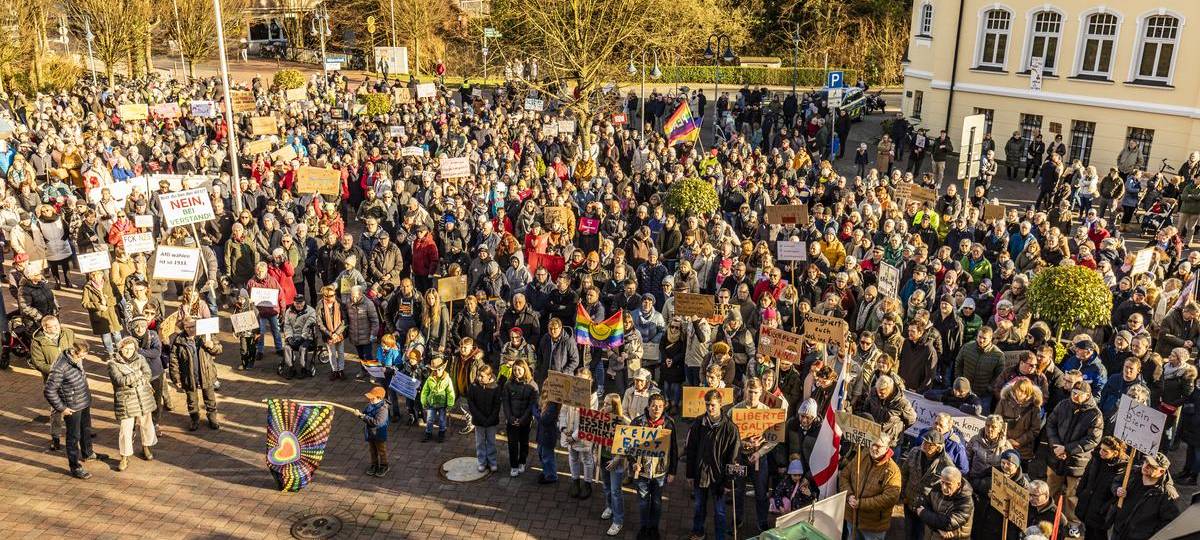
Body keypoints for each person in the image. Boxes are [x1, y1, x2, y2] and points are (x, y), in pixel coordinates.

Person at [1045, 378, 1103, 535]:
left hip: (1077, 462)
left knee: (1073, 496)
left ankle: (1073, 523)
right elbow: (1051, 424)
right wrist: (1056, 445)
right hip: (1056, 456)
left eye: (1080, 394)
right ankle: (1049, 516)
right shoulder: (1063, 405)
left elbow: (1093, 440)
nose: (1075, 396)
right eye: (1074, 392)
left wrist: (1068, 450)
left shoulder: (1095, 414)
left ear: (1088, 395)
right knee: (1051, 489)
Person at [685, 389, 740, 540]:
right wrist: (690, 474)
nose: (710, 408)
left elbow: (734, 458)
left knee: (720, 511)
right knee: (698, 507)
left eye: (713, 405)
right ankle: (698, 532)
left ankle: (720, 537)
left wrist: (729, 481)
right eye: (707, 404)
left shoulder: (731, 429)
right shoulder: (698, 423)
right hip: (700, 473)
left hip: (719, 477)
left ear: (720, 404)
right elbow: (691, 450)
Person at [44, 342, 105, 479]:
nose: (83, 359)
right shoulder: (60, 367)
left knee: (86, 430)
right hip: (71, 406)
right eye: (82, 356)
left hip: (83, 402)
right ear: (74, 352)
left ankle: (88, 453)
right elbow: (49, 390)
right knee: (73, 437)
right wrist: (62, 408)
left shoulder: (75, 360)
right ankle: (75, 466)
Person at [629, 393, 677, 540]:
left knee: (656, 502)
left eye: (660, 406)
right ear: (648, 406)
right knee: (643, 502)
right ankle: (644, 528)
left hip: (660, 472)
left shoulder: (669, 423)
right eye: (654, 406)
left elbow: (673, 448)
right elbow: (628, 446)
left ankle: (654, 528)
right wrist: (633, 463)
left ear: (664, 408)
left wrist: (672, 471)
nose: (657, 409)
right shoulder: (637, 422)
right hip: (641, 472)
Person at [107, 337, 158, 471]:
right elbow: (119, 381)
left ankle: (146, 446)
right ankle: (124, 456)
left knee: (147, 424)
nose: (128, 351)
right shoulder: (113, 363)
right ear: (120, 348)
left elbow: (148, 373)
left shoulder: (140, 358)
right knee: (125, 429)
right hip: (126, 400)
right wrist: (138, 376)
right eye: (125, 348)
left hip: (143, 396)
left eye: (131, 348)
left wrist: (138, 378)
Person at [840, 434, 902, 540]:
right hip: (852, 518)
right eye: (873, 444)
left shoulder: (893, 470)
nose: (874, 448)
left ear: (887, 448)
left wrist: (861, 504)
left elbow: (889, 498)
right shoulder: (861, 455)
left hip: (873, 526)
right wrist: (849, 495)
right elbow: (844, 475)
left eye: (878, 446)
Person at [1110, 452, 1182, 540]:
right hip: (1118, 531)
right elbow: (1116, 481)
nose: (1146, 466)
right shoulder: (1133, 472)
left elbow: (1169, 523)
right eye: (1146, 462)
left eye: (1152, 466)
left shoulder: (1167, 494)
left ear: (1161, 471)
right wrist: (1117, 489)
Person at [900, 431, 957, 540]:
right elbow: (904, 473)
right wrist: (903, 495)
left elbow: (951, 491)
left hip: (927, 509)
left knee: (922, 535)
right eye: (925, 441)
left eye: (929, 444)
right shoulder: (914, 452)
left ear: (938, 447)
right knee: (908, 533)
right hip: (909, 501)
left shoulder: (947, 464)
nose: (924, 444)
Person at [30, 314, 74, 451]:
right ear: (44, 328)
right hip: (54, 380)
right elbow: (38, 363)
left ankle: (80, 430)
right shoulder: (38, 342)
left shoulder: (67, 333)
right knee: (57, 408)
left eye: (57, 325)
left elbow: (75, 349)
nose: (56, 328)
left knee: (76, 404)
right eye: (52, 327)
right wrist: (57, 370)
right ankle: (55, 436)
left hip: (72, 377)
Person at [172, 322, 224, 431]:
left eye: (193, 326)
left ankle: (212, 417)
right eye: (187, 327)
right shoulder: (179, 340)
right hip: (189, 375)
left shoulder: (206, 335)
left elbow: (219, 349)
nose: (191, 329)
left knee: (210, 398)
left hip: (206, 373)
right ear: (183, 327)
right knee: (191, 399)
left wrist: (212, 346)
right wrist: (176, 378)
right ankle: (194, 418)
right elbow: (174, 360)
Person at [559, 366, 598, 500]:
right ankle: (575, 481)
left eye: (584, 380)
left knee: (587, 459)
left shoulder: (592, 397)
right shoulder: (569, 391)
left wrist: (574, 436)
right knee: (573, 457)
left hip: (583, 435)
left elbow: (588, 420)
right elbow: (564, 410)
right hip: (569, 431)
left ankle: (587, 483)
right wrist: (563, 428)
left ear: (590, 381)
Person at [915, 466, 973, 540]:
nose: (944, 487)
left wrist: (923, 513)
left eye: (948, 484)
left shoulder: (965, 500)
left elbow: (948, 523)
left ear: (958, 484)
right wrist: (939, 529)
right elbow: (922, 505)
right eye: (942, 482)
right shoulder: (936, 487)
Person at [503, 360, 538, 476]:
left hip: (525, 420)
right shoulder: (508, 384)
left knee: (524, 442)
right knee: (512, 444)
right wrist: (510, 418)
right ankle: (513, 465)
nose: (517, 372)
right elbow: (506, 403)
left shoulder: (532, 386)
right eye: (514, 370)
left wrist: (523, 419)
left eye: (519, 370)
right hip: (512, 420)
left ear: (525, 370)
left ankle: (522, 461)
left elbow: (532, 405)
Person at [466, 364, 503, 473]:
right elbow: (471, 403)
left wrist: (490, 419)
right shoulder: (473, 387)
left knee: (491, 442)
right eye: (478, 376)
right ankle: (482, 462)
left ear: (489, 376)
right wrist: (480, 418)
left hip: (491, 421)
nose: (479, 378)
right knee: (480, 442)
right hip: (479, 421)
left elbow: (497, 405)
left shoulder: (495, 387)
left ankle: (492, 462)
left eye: (482, 376)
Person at [419, 356, 455, 443]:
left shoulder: (447, 379)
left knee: (442, 419)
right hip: (431, 403)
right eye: (434, 370)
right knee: (430, 419)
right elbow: (425, 391)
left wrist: (450, 404)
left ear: (443, 368)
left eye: (438, 369)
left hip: (443, 404)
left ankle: (442, 433)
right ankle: (428, 432)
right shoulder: (429, 379)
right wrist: (424, 401)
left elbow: (450, 392)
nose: (436, 372)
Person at [358, 386, 390, 476]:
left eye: (372, 398)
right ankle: (374, 464)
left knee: (381, 450)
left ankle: (384, 465)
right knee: (372, 450)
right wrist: (361, 414)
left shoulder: (383, 409)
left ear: (379, 398)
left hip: (379, 433)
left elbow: (377, 422)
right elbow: (365, 412)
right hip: (371, 432)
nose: (370, 400)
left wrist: (363, 417)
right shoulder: (371, 405)